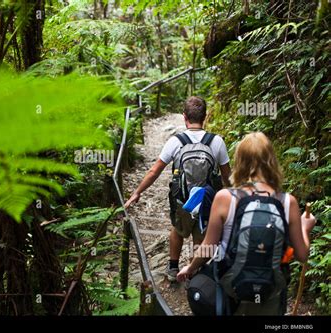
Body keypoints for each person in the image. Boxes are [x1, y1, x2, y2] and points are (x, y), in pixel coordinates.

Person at [176, 132, 316, 315]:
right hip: (270, 290)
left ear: (239, 161)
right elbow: (302, 255)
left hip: (232, 288)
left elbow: (208, 247)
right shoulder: (287, 202)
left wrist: (191, 267)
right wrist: (305, 228)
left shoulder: (225, 198)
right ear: (272, 161)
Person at [124, 96, 231, 281]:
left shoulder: (176, 141)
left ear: (184, 117)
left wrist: (137, 192)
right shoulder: (217, 142)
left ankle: (173, 269)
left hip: (182, 198)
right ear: (205, 117)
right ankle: (196, 273)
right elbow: (227, 176)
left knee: (177, 229)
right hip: (207, 200)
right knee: (201, 234)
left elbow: (154, 171)